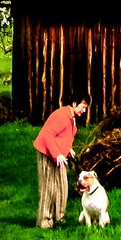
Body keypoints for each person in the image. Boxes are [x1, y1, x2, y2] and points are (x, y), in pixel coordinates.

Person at [32, 96, 88, 228]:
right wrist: (57, 154)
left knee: (62, 186)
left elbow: (64, 135)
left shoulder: (72, 118)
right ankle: (45, 222)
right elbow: (47, 134)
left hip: (60, 156)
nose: (84, 111)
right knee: (48, 188)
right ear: (74, 103)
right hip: (48, 154)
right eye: (83, 107)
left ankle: (59, 219)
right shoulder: (62, 116)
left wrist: (69, 148)